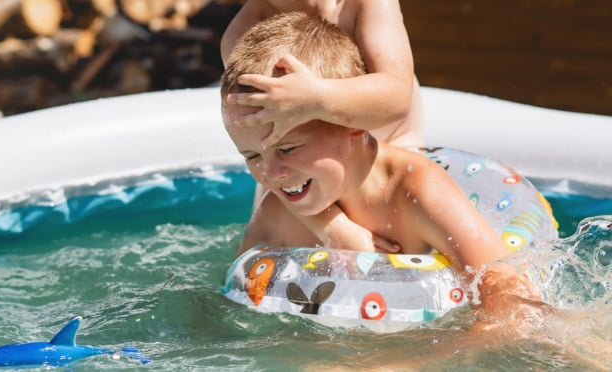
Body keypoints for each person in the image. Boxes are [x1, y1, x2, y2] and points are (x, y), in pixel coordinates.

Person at [221, 11, 552, 330]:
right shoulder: (276, 214)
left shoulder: (416, 190)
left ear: (353, 123)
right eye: (251, 155)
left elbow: (505, 288)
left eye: (287, 148)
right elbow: (234, 298)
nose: (270, 173)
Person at [221, 1, 423, 252]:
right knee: (259, 247)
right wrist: (331, 226)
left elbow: (397, 96)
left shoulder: (366, 5)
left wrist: (315, 99)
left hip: (385, 158)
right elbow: (257, 142)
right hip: (289, 167)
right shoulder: (243, 33)